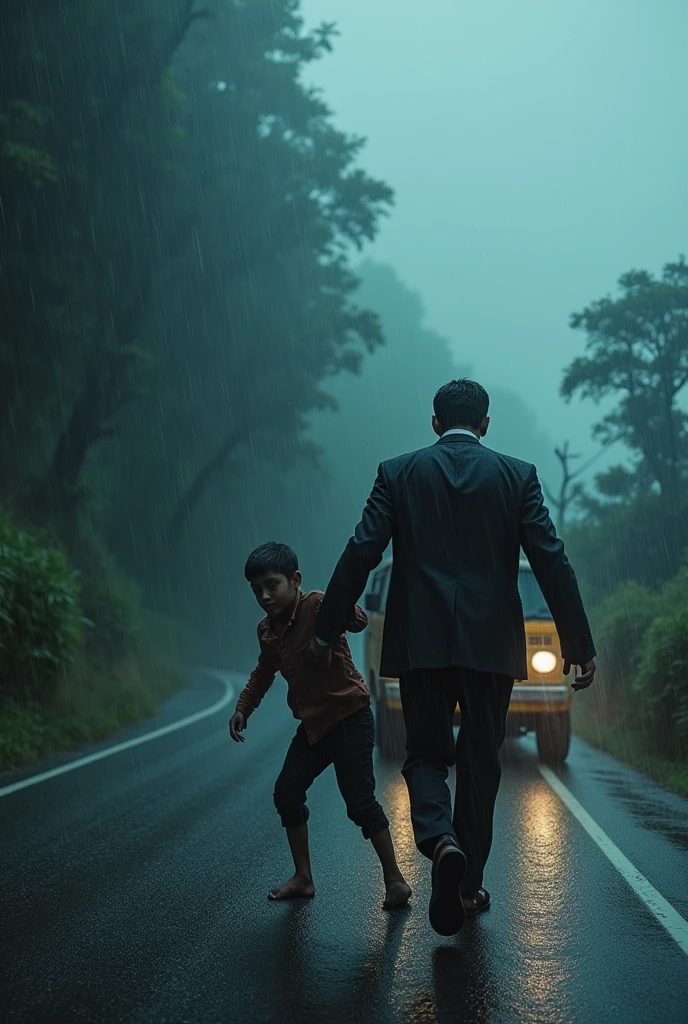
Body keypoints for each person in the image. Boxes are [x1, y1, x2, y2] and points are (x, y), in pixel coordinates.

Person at [311, 379, 596, 936]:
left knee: (425, 754)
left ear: (436, 422)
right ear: (485, 423)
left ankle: (440, 842)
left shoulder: (398, 473)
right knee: (482, 760)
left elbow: (361, 550)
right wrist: (578, 645)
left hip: (421, 640)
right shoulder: (518, 477)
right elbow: (551, 562)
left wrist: (325, 631)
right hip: (491, 645)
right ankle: (467, 888)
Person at [229, 541, 412, 910]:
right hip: (313, 728)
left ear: (295, 580)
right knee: (286, 793)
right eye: (256, 589)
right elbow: (263, 671)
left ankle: (395, 878)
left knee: (359, 803)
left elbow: (358, 620)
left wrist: (337, 611)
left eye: (272, 584)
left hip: (351, 719)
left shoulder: (315, 604)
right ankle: (303, 877)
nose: (265, 595)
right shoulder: (267, 631)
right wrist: (243, 707)